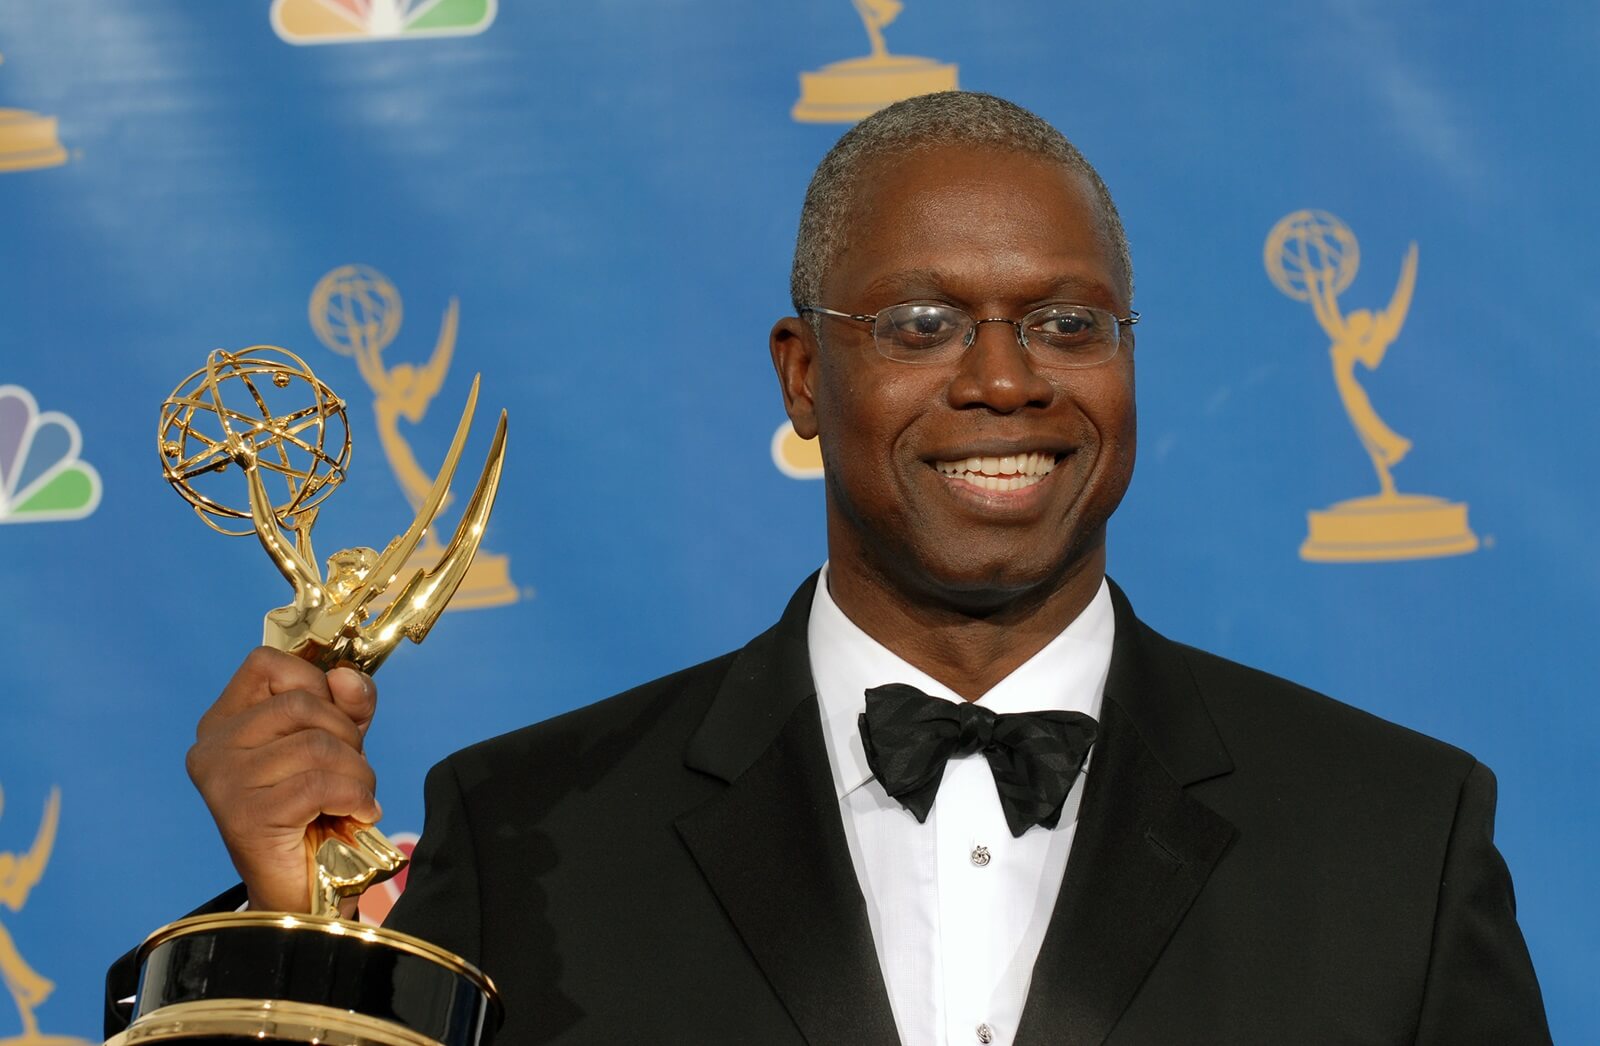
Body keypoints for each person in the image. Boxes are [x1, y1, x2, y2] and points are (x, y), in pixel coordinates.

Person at [106, 92, 1549, 1044]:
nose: (1004, 379)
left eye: (1067, 324)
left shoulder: (1396, 839)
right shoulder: (527, 832)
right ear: (803, 376)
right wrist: (293, 927)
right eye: (922, 322)